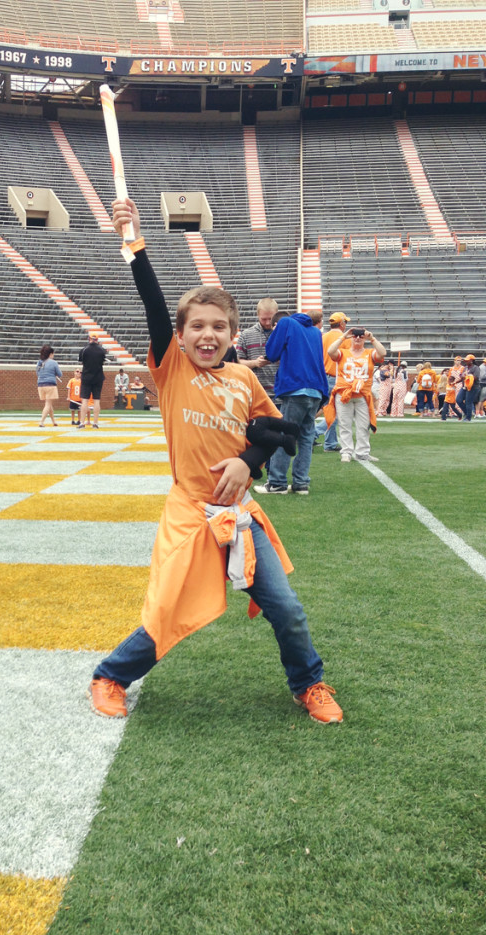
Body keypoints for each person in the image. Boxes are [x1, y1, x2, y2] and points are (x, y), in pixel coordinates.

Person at [87, 196, 342, 725]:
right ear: (180, 337)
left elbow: (277, 430)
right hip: (190, 513)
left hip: (241, 516)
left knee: (288, 610)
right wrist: (133, 242)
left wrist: (249, 461)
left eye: (218, 327)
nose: (207, 335)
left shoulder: (244, 378)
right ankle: (110, 675)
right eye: (196, 326)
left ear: (234, 334)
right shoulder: (172, 370)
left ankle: (309, 684)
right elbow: (154, 306)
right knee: (165, 610)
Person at [254, 309, 329, 497]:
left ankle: (278, 482)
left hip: (296, 387)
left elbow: (271, 352)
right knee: (305, 437)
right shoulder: (314, 331)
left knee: (285, 434)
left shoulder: (286, 324)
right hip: (316, 389)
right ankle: (301, 483)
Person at [325, 327, 386, 463]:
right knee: (344, 424)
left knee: (363, 426)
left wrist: (372, 338)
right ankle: (346, 452)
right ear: (351, 338)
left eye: (360, 336)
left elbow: (383, 353)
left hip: (362, 395)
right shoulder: (343, 353)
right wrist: (344, 336)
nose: (357, 338)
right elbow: (330, 351)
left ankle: (362, 452)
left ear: (364, 339)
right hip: (344, 393)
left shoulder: (369, 353)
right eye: (355, 336)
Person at [321, 312, 354, 451]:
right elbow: (350, 359)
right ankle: (314, 434)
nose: (346, 325)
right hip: (338, 378)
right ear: (341, 324)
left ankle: (329, 442)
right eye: (345, 322)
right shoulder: (345, 339)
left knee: (330, 411)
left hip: (323, 376)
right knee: (336, 412)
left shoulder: (323, 337)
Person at [235, 298, 278, 400]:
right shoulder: (246, 335)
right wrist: (255, 363)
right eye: (264, 319)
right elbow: (237, 363)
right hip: (256, 395)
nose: (267, 323)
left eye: (270, 319)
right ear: (258, 315)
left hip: (282, 396)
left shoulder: (285, 334)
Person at [78, 331, 107, 429]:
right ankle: (95, 423)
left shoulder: (84, 350)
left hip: (86, 377)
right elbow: (102, 361)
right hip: (98, 377)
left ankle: (82, 423)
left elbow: (82, 361)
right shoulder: (102, 350)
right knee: (96, 400)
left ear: (89, 339)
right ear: (97, 340)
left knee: (85, 400)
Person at [36, 344, 62, 427]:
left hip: (40, 384)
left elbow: (37, 373)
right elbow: (60, 374)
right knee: (48, 404)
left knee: (49, 404)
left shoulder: (39, 362)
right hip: (50, 384)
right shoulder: (53, 362)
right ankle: (41, 421)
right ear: (50, 354)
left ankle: (53, 421)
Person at [457, 354, 480, 422]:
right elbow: (461, 376)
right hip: (465, 386)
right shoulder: (465, 367)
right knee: (458, 400)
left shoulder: (476, 368)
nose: (466, 362)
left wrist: (467, 376)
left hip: (473, 387)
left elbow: (476, 377)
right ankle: (467, 413)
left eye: (467, 360)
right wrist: (460, 377)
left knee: (468, 402)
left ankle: (468, 418)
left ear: (472, 361)